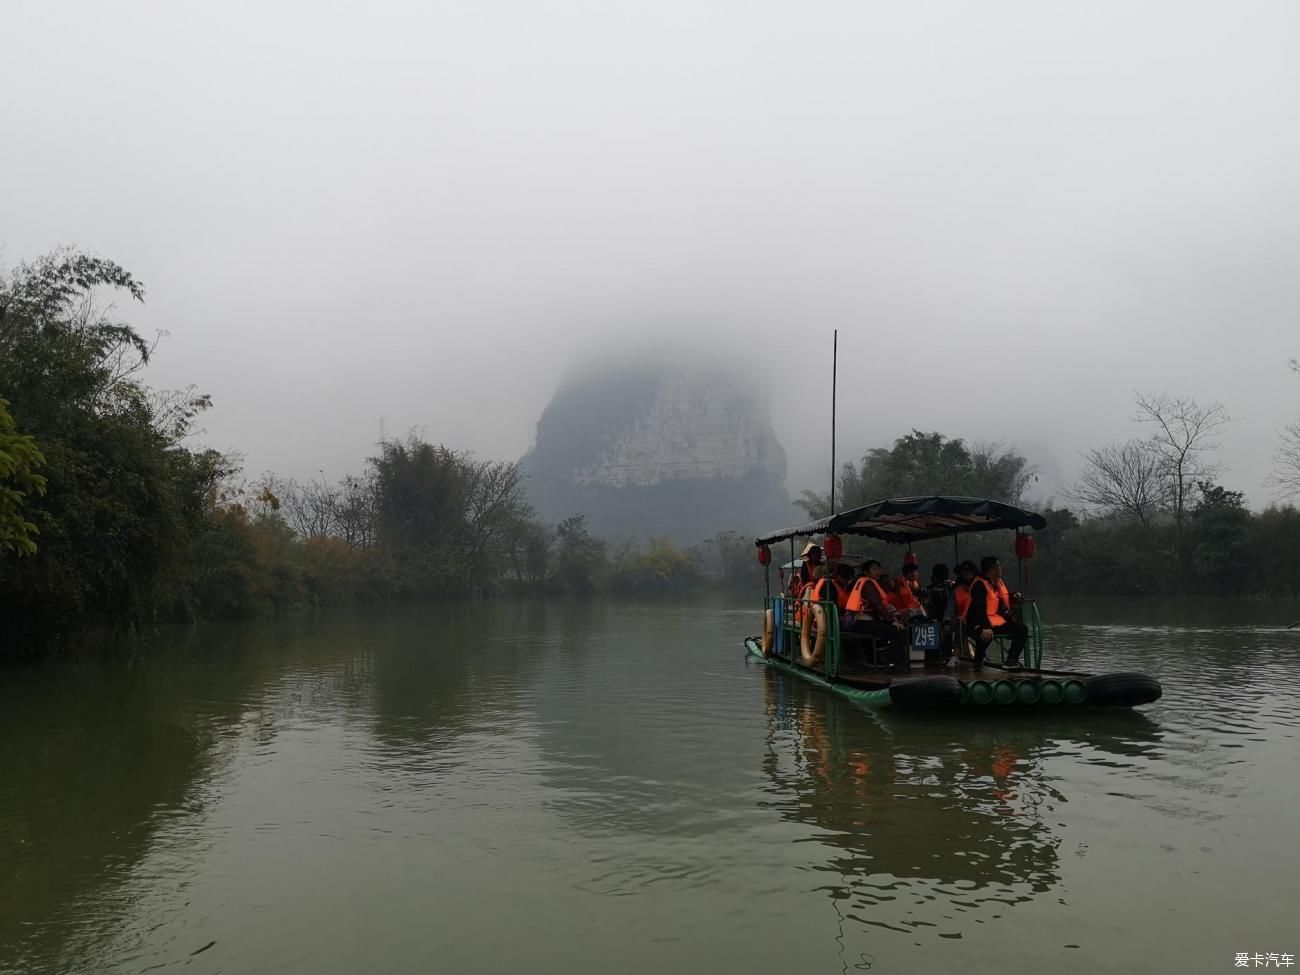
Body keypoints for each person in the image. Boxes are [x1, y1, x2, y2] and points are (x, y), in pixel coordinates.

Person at [964, 556, 1029, 670]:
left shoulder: (994, 583)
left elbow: (998, 601)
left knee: (1022, 629)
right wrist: (985, 626)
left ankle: (1011, 660)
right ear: (991, 570)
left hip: (994, 622)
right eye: (999, 566)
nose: (1001, 568)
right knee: (986, 634)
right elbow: (978, 609)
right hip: (977, 623)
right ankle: (977, 662)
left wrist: (1013, 596)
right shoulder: (980, 584)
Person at [843, 560, 909, 670]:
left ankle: (880, 660)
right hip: (862, 623)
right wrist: (892, 620)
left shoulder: (867, 582)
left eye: (879, 568)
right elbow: (878, 605)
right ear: (866, 572)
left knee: (896, 628)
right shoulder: (868, 584)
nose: (878, 571)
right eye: (874, 569)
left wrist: (894, 616)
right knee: (899, 631)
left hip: (863, 622)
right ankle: (895, 663)